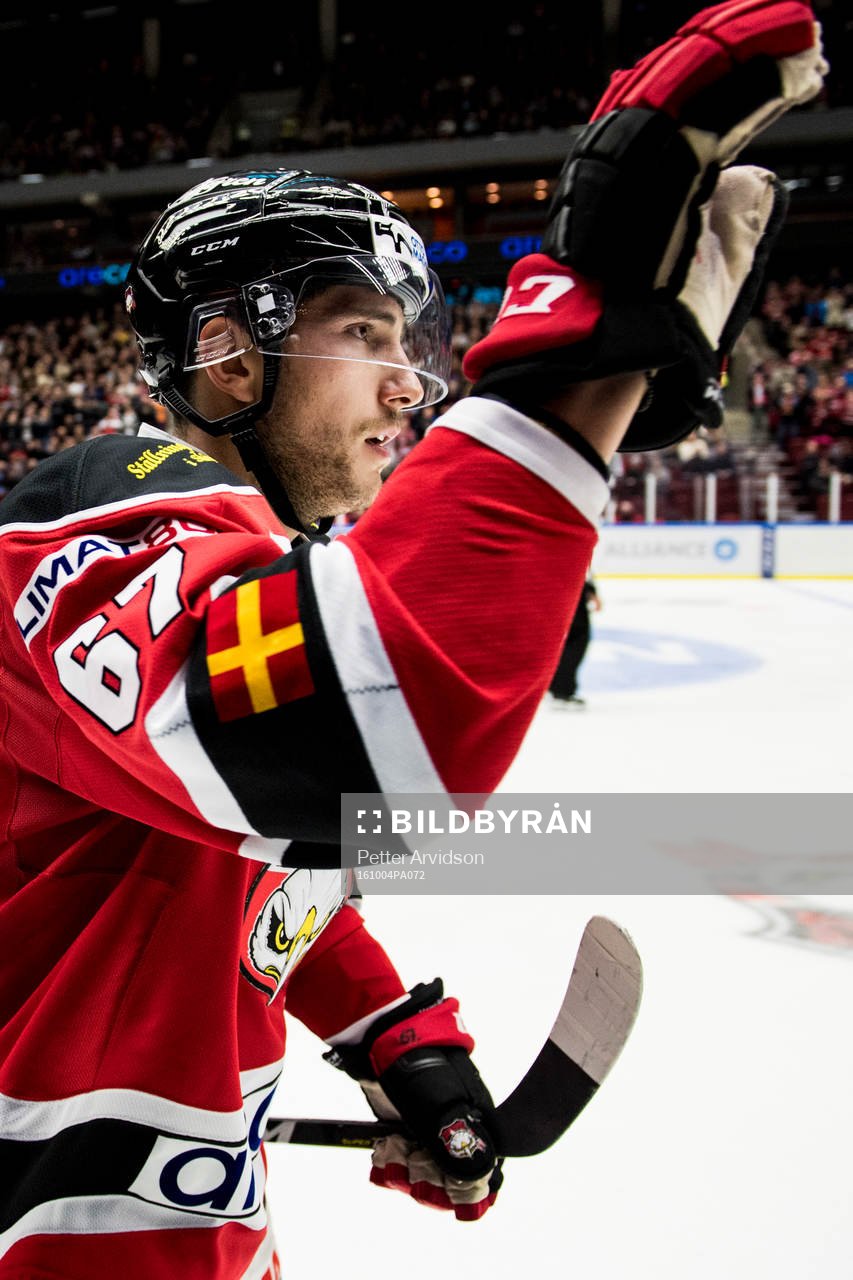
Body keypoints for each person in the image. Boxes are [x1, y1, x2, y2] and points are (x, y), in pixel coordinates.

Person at [0, 3, 826, 1276]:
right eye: (364, 331)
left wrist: (389, 1026)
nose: (412, 380)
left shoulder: (251, 558)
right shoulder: (89, 515)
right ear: (227, 355)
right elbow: (355, 737)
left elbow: (255, 851)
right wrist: (574, 364)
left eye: (411, 342)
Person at [550, 578, 601, 708]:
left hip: (565, 589)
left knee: (570, 642)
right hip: (568, 589)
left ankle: (558, 688)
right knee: (574, 642)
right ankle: (562, 691)